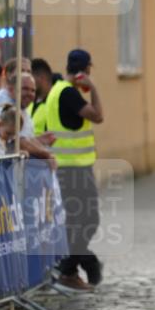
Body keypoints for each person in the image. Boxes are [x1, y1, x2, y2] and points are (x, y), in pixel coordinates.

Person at [35, 49, 104, 292]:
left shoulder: (57, 91)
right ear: (83, 72)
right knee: (88, 221)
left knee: (76, 222)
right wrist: (93, 88)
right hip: (74, 172)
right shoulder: (68, 94)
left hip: (68, 169)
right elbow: (98, 116)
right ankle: (68, 269)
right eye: (88, 71)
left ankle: (71, 267)